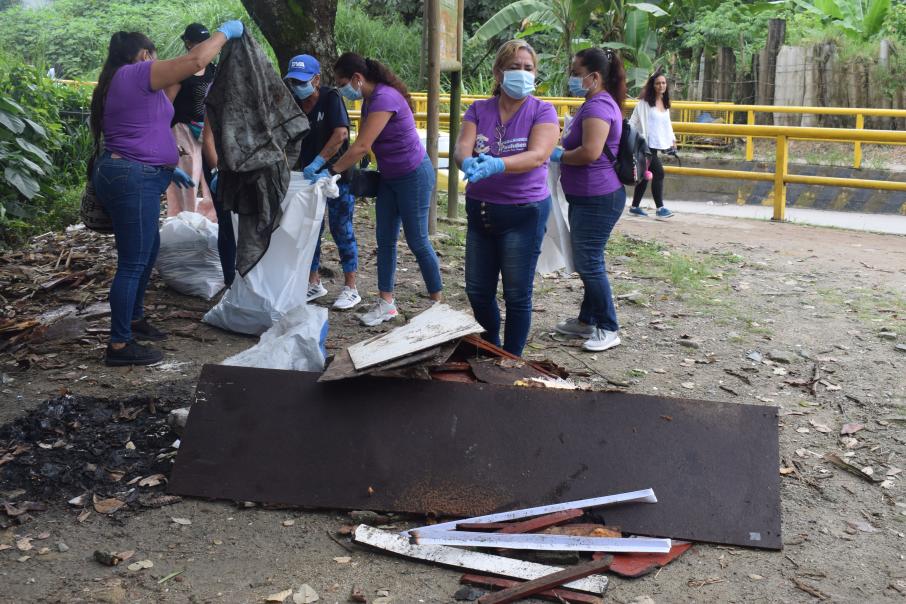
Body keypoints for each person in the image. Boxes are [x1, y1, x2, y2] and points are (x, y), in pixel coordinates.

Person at [89, 21, 244, 366]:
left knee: (148, 249)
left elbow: (150, 123)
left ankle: (134, 319)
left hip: (139, 173)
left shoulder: (125, 82)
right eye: (154, 56)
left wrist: (166, 166)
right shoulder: (135, 74)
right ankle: (118, 345)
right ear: (145, 55)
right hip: (133, 176)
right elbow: (193, 62)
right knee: (132, 262)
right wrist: (224, 32)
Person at [318, 52, 442, 326]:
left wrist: (331, 171)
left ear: (357, 79)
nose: (342, 90)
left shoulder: (385, 98)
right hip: (389, 177)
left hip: (414, 176)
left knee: (417, 240)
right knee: (384, 239)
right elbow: (365, 145)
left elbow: (361, 145)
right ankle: (386, 302)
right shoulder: (369, 100)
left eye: (342, 83)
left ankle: (437, 304)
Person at [453, 39, 559, 356]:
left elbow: (539, 155)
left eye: (528, 68)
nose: (522, 73)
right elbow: (462, 147)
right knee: (477, 290)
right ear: (499, 73)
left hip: (523, 213)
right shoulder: (478, 109)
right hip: (480, 211)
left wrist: (499, 164)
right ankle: (491, 349)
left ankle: (512, 358)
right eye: (514, 68)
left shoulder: (543, 111)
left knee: (516, 293)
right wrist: (466, 161)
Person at [550, 48, 628, 352]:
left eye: (575, 72)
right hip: (589, 196)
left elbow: (590, 152)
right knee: (588, 259)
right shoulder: (594, 103)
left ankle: (608, 326)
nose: (571, 78)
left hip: (598, 197)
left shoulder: (597, 107)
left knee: (589, 261)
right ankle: (586, 321)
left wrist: (559, 155)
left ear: (593, 77)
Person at [286, 54, 361, 310]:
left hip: (337, 177)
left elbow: (340, 134)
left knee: (342, 229)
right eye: (293, 81)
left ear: (316, 79)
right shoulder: (294, 103)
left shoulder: (331, 98)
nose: (298, 85)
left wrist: (320, 163)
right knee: (310, 230)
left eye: (302, 80)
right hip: (309, 179)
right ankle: (313, 281)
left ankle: (351, 287)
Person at [164, 23, 218, 221]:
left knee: (211, 179)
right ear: (188, 44)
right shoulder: (180, 71)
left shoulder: (214, 69)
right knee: (188, 181)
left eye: (207, 43)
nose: (203, 47)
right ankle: (184, 222)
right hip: (183, 131)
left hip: (208, 132)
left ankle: (211, 224)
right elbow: (165, 107)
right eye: (198, 43)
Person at [628, 70, 675, 219]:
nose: (661, 86)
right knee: (658, 173)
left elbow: (667, 124)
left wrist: (672, 140)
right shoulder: (644, 104)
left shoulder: (665, 103)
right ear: (652, 85)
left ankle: (635, 206)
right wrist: (630, 140)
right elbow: (633, 122)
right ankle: (660, 208)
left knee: (644, 176)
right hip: (645, 145)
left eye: (663, 83)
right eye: (658, 83)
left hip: (656, 145)